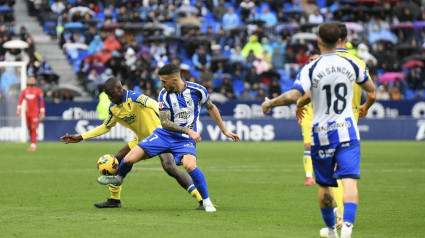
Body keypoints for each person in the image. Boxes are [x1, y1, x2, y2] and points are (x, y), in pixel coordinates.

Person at [261, 23, 376, 238]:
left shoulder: (311, 67)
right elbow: (372, 93)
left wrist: (269, 104)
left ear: (319, 41)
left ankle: (332, 230)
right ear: (341, 40)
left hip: (323, 132)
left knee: (325, 184)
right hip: (348, 129)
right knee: (350, 180)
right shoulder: (352, 64)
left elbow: (294, 96)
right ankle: (348, 228)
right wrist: (365, 108)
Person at [97, 64, 240, 212]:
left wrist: (224, 130)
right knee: (128, 159)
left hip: (184, 139)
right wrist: (188, 130)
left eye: (164, 82)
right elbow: (165, 123)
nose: (162, 85)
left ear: (175, 80)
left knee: (190, 166)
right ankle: (119, 179)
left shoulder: (197, 90)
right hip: (164, 135)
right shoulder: (163, 95)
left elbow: (210, 107)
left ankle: (206, 202)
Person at [61, 77, 204, 210]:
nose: (109, 98)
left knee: (169, 167)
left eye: (111, 94)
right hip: (141, 140)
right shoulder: (114, 108)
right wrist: (81, 137)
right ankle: (114, 200)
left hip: (160, 137)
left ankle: (201, 199)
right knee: (116, 161)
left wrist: (166, 117)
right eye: (107, 95)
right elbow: (105, 127)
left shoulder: (135, 97)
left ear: (119, 89)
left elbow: (153, 104)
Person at [17, 75, 46, 152]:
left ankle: (33, 145)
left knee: (33, 128)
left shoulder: (38, 91)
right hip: (27, 112)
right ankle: (32, 143)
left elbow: (41, 102)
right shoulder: (24, 91)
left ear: (35, 81)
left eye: (33, 80)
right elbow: (20, 100)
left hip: (35, 113)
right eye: (30, 80)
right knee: (29, 128)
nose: (32, 81)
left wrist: (42, 113)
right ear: (28, 81)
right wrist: (18, 110)